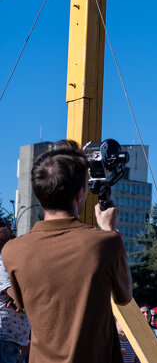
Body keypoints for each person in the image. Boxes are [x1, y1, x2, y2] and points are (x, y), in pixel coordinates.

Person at [1, 140, 132, 363]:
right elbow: (124, 296)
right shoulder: (105, 244)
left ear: (39, 193)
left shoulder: (12, 251)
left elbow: (23, 302)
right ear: (80, 195)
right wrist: (109, 230)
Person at [0, 215, 30, 363]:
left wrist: (19, 297)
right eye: (3, 224)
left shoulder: (8, 261)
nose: (9, 225)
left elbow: (20, 297)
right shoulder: (1, 263)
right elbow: (22, 300)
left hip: (14, 344)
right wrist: (20, 299)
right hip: (4, 341)